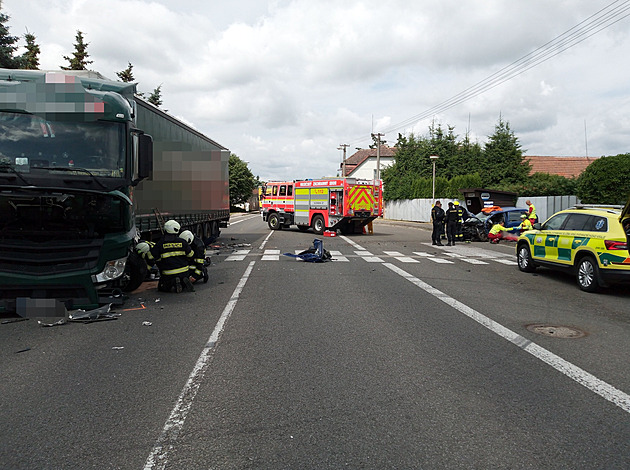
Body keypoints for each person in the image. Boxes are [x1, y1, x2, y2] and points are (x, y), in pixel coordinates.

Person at [150, 219, 195, 293]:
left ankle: (173, 282)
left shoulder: (160, 243)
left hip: (168, 273)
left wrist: (159, 263)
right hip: (184, 271)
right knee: (182, 278)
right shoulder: (182, 242)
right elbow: (191, 255)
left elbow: (152, 256)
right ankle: (183, 281)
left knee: (163, 288)